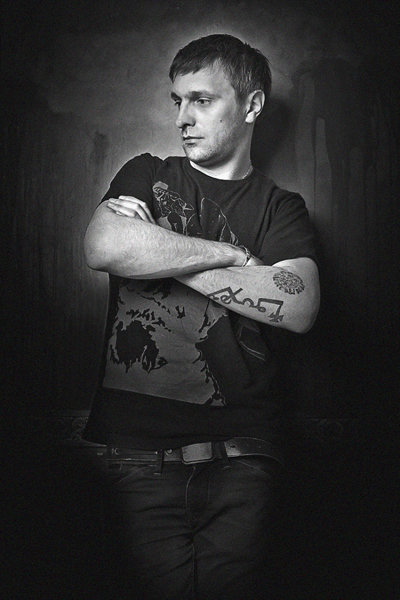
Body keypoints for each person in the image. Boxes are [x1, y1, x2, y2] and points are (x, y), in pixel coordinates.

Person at [83, 33, 320, 600]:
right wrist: (234, 257)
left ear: (252, 105)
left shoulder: (280, 207)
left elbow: (299, 306)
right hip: (136, 460)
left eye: (202, 100)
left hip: (245, 459)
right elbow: (103, 246)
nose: (182, 119)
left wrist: (160, 251)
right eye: (177, 101)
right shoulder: (146, 172)